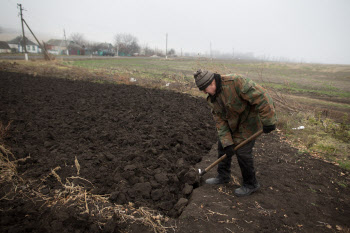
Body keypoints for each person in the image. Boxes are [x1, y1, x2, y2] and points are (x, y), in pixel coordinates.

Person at [194, 69, 277, 197]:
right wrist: (227, 143)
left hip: (250, 121)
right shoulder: (212, 99)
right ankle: (223, 176)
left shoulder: (236, 82)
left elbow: (261, 97)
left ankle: (251, 184)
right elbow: (220, 122)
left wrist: (269, 121)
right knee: (223, 146)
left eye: (205, 88)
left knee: (242, 152)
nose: (204, 92)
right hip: (233, 123)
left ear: (212, 82)